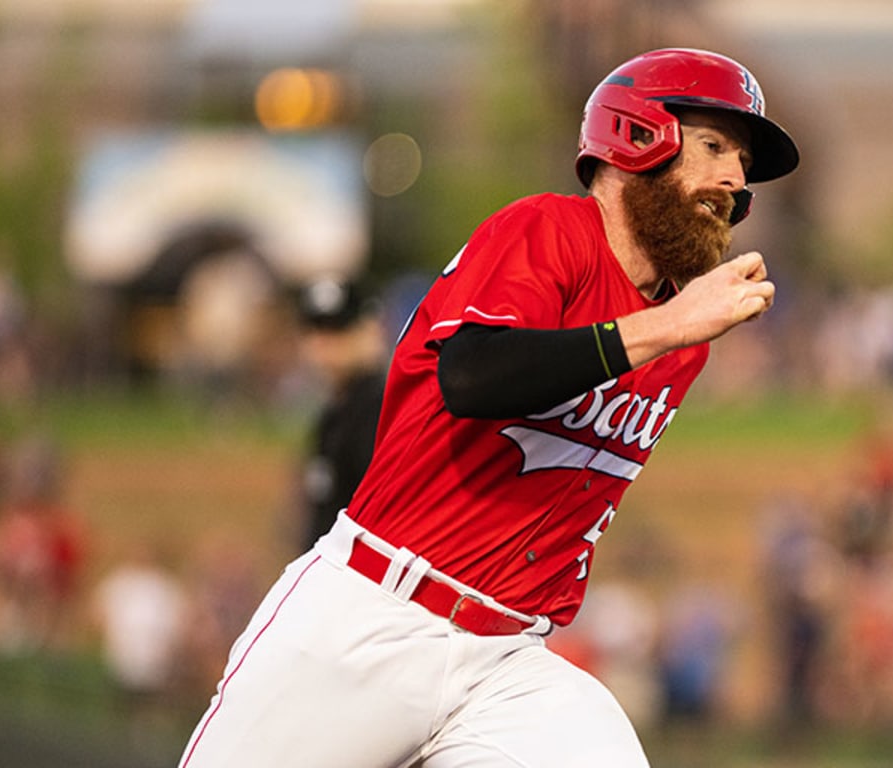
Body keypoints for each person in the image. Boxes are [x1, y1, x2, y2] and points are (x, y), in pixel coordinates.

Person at [178, 47, 799, 768]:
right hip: (375, 616)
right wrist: (664, 327)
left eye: (742, 163)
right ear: (637, 136)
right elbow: (472, 377)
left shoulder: (684, 335)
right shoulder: (549, 232)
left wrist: (669, 326)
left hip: (508, 660)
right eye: (714, 146)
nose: (733, 178)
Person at [293, 278, 388, 552]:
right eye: (315, 328)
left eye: (338, 328)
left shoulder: (379, 410)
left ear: (370, 330)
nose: (323, 343)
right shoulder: (334, 413)